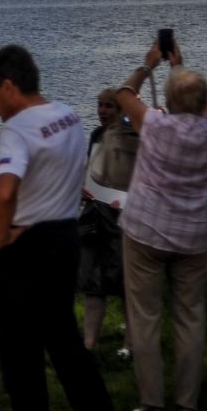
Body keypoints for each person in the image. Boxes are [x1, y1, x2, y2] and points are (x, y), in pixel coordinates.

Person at [0, 44, 126, 411]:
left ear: (9, 86)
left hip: (27, 245)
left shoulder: (16, 131)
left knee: (19, 354)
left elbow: (5, 191)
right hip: (64, 237)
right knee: (64, 342)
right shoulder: (67, 115)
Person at [113, 43, 207, 411]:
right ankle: (187, 403)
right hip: (192, 234)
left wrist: (148, 65)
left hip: (146, 229)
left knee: (144, 316)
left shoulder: (155, 125)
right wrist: (181, 69)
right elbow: (205, 108)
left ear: (170, 101)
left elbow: (123, 95)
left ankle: (152, 402)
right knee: (190, 315)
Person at [78, 89, 129, 355]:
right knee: (92, 281)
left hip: (123, 218)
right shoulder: (96, 136)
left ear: (121, 110)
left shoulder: (132, 138)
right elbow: (91, 170)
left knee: (126, 282)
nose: (102, 110)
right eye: (99, 105)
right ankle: (89, 342)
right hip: (94, 216)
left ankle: (129, 344)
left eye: (109, 106)